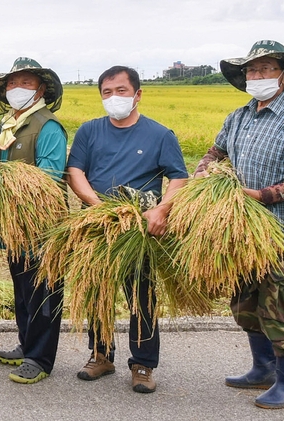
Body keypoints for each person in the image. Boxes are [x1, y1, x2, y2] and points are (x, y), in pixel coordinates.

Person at [195, 40, 284, 409]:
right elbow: (215, 152)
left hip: (281, 234)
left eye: (266, 69)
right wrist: (204, 174)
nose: (257, 76)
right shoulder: (239, 116)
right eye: (251, 71)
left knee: (283, 311)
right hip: (241, 234)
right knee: (247, 306)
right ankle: (262, 369)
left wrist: (263, 196)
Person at [66, 66, 188, 393]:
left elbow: (178, 177)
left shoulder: (160, 135)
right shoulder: (90, 131)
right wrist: (96, 205)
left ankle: (144, 364)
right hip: (98, 227)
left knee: (140, 297)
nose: (114, 98)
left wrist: (162, 208)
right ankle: (101, 355)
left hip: (138, 232)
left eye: (121, 91)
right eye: (107, 92)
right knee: (96, 294)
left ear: (137, 94)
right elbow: (75, 171)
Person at [0, 57, 67, 384]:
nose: (16, 89)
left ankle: (39, 359)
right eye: (12, 84)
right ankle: (27, 344)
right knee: (23, 290)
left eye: (25, 83)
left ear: (41, 88)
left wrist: (3, 177)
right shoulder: (8, 124)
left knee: (43, 293)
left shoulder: (48, 125)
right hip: (13, 225)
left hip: (42, 227)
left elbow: (50, 176)